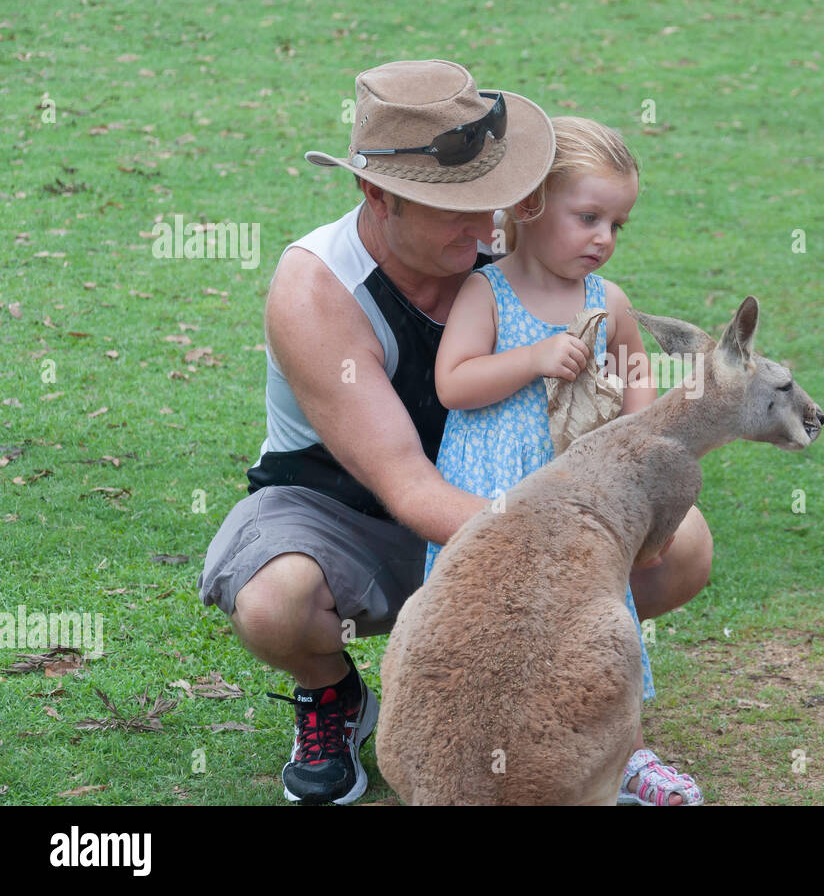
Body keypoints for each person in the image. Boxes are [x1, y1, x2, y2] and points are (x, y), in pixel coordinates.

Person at [197, 60, 713, 805]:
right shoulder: (318, 287)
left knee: (684, 542)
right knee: (276, 598)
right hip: (349, 513)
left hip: (505, 496)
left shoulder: (505, 244)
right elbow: (405, 482)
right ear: (377, 194)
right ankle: (334, 696)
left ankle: (544, 699)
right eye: (455, 210)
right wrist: (563, 551)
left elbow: (614, 349)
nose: (486, 228)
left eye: (491, 200)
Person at [428, 115, 702, 805]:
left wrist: (647, 453)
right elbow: (452, 381)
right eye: (588, 218)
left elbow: (642, 394)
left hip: (585, 505)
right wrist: (532, 359)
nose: (604, 239)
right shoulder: (485, 292)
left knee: (593, 620)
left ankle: (624, 756)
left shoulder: (608, 303)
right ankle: (482, 757)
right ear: (528, 207)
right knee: (493, 627)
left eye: (618, 224)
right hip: (497, 493)